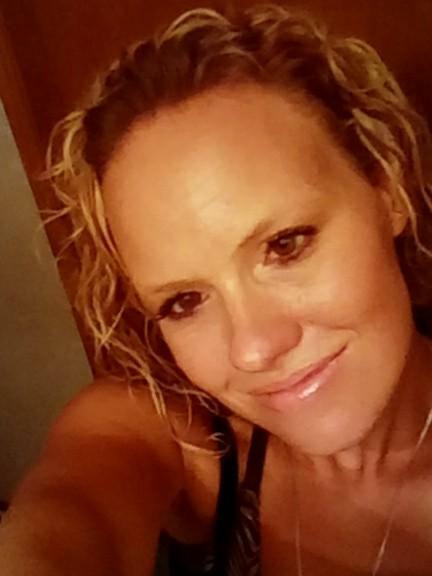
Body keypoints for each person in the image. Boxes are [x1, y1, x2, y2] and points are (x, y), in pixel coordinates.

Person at [2, 4, 432, 575]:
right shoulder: (193, 453)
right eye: (184, 301)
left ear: (388, 188)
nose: (253, 348)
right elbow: (70, 514)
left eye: (285, 245)